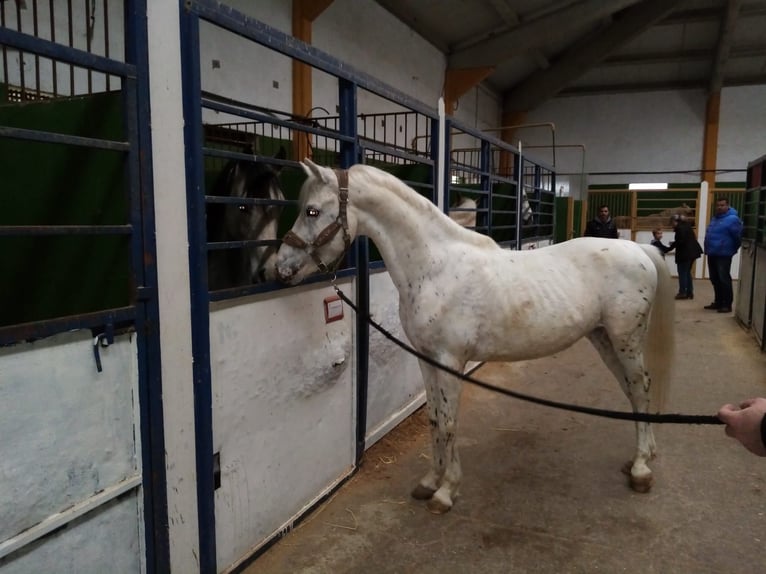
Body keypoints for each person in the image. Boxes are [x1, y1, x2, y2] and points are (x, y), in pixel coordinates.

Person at [703, 197, 742, 313]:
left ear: (727, 206)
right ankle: (718, 301)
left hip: (723, 254)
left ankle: (726, 304)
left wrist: (731, 249)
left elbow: (737, 237)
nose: (720, 207)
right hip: (712, 252)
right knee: (714, 279)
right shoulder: (715, 218)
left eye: (722, 205)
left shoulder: (733, 219)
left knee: (724, 279)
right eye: (718, 205)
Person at [669, 214, 703, 300]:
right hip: (693, 252)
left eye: (671, 223)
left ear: (675, 221)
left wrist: (671, 246)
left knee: (682, 273)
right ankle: (689, 292)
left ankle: (682, 292)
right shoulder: (686, 226)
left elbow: (680, 241)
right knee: (687, 272)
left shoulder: (680, 228)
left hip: (685, 254)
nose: (671, 225)